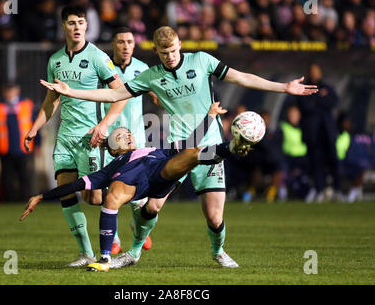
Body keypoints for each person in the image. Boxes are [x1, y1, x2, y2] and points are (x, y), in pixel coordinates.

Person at [40, 25, 318, 269]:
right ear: (157, 52)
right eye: (164, 53)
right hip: (177, 151)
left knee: (213, 216)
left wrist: (283, 88)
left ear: (180, 45)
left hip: (209, 147)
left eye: (173, 50)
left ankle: (218, 251)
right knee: (152, 206)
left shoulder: (202, 61)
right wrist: (71, 91)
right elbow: (114, 93)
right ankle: (133, 252)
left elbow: (241, 77)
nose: (170, 56)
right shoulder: (151, 76)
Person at [20, 103, 252, 272]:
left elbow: (191, 140)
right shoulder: (112, 168)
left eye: (128, 133)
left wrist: (210, 116)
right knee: (112, 198)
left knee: (191, 153)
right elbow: (76, 184)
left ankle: (232, 147)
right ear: (113, 148)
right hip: (134, 184)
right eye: (121, 136)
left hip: (161, 173)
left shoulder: (153, 151)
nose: (128, 136)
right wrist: (42, 195)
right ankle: (104, 258)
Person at [24, 5, 128, 267]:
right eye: (72, 23)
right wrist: (34, 128)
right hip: (65, 138)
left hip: (90, 138)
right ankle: (86, 253)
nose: (78, 27)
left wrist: (103, 125)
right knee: (65, 191)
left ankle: (132, 202)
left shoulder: (97, 57)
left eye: (81, 22)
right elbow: (52, 100)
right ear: (63, 26)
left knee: (93, 198)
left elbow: (121, 95)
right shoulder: (55, 60)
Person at [106, 27, 154, 254]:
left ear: (135, 45)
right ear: (113, 44)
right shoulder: (103, 68)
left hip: (136, 141)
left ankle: (138, 228)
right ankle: (114, 239)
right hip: (109, 142)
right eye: (121, 42)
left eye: (130, 42)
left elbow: (157, 95)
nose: (126, 46)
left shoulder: (142, 69)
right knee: (110, 191)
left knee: (139, 194)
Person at [295, 63, 340, 203]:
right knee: (316, 163)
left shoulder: (327, 87)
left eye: (317, 71)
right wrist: (320, 100)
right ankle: (320, 190)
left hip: (328, 132)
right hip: (312, 134)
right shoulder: (303, 88)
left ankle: (337, 191)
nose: (315, 74)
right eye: (312, 71)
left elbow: (333, 101)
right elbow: (305, 106)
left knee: (334, 161)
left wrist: (316, 101)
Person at [0, 83, 35, 202]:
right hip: (5, 148)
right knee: (6, 178)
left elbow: (35, 125)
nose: (10, 94)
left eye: (12, 90)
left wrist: (38, 144)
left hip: (23, 148)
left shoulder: (26, 105)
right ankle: (8, 200)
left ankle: (26, 200)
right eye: (7, 91)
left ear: (17, 91)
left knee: (24, 176)